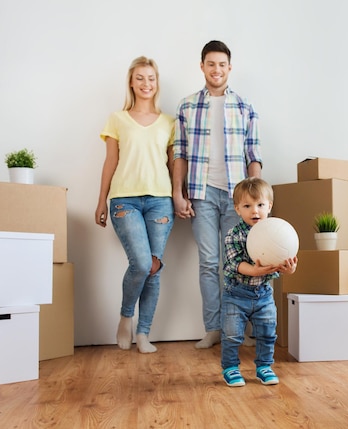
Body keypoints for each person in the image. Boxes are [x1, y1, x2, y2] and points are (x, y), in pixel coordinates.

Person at [173, 40, 262, 349]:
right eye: (211, 64)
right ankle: (213, 329)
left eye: (222, 64)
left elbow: (253, 152)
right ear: (202, 67)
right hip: (202, 194)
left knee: (240, 261)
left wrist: (257, 200)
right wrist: (177, 193)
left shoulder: (244, 105)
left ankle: (239, 329)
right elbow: (179, 152)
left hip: (238, 197)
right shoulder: (187, 106)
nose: (216, 69)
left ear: (229, 67)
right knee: (210, 263)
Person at [95, 56, 175, 354]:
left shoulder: (169, 122)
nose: (146, 83)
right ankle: (126, 316)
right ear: (131, 82)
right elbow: (110, 161)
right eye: (140, 78)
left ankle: (144, 334)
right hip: (124, 199)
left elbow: (173, 163)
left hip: (160, 202)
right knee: (141, 263)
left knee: (153, 267)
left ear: (157, 83)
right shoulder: (117, 119)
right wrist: (101, 200)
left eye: (151, 78)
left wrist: (179, 195)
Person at [221, 177, 297, 386]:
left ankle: (264, 366)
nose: (255, 211)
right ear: (237, 209)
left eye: (260, 205)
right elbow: (233, 263)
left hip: (263, 294)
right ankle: (230, 368)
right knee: (231, 335)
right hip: (236, 295)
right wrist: (253, 270)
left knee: (267, 332)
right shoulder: (233, 236)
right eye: (247, 206)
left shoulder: (277, 234)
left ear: (269, 206)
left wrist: (290, 268)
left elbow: (285, 263)